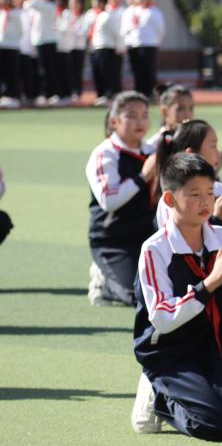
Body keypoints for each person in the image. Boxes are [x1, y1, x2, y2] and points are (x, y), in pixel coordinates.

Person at [130, 152, 222, 439]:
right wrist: (208, 286)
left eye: (209, 193)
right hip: (171, 350)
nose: (205, 202)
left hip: (214, 338)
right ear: (169, 200)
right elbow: (163, 319)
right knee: (219, 425)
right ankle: (160, 395)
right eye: (194, 194)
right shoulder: (155, 249)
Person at [86, 91, 159, 306]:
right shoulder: (105, 154)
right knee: (135, 296)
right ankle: (103, 280)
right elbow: (109, 200)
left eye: (144, 115)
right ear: (114, 121)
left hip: (148, 235)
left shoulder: (152, 151)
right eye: (132, 115)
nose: (140, 121)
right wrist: (143, 176)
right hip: (113, 239)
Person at [154, 118, 222, 247]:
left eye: (209, 193)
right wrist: (218, 219)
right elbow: (182, 245)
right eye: (213, 146)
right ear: (191, 153)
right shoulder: (173, 200)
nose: (218, 152)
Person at [121, 0, 165, 97]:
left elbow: (160, 30)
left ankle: (150, 93)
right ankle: (139, 93)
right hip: (134, 45)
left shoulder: (154, 11)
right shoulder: (132, 11)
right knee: (137, 71)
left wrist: (157, 42)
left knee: (148, 71)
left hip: (149, 45)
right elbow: (125, 29)